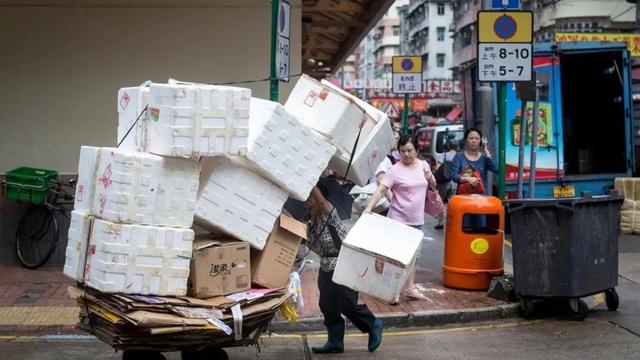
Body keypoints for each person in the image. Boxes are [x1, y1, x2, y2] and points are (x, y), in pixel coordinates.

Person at [304, 185, 383, 354]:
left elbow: (322, 201)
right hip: (326, 267)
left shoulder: (330, 215)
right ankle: (335, 342)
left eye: (310, 195)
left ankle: (373, 324)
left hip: (343, 264)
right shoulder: (310, 222)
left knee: (347, 304)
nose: (307, 197)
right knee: (327, 306)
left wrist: (311, 183)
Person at [363, 134, 437, 301]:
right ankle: (393, 291)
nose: (406, 154)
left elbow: (433, 184)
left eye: (410, 150)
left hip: (417, 219)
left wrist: (430, 177)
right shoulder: (395, 170)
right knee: (397, 256)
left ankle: (409, 288)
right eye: (403, 151)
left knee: (413, 257)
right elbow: (380, 190)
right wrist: (368, 209)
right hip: (398, 219)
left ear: (417, 151)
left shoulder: (423, 165)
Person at [451, 128, 497, 195]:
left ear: (481, 141)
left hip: (481, 198)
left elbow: (495, 168)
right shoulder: (459, 157)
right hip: (463, 198)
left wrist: (486, 151)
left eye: (477, 138)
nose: (474, 141)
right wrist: (468, 179)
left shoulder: (484, 158)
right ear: (466, 141)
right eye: (471, 138)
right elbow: (454, 176)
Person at [433, 138, 459, 230]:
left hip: (444, 182)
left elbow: (438, 168)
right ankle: (451, 222)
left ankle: (440, 222)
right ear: (457, 147)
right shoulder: (459, 156)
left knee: (440, 202)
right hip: (455, 183)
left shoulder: (444, 155)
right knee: (451, 203)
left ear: (449, 146)